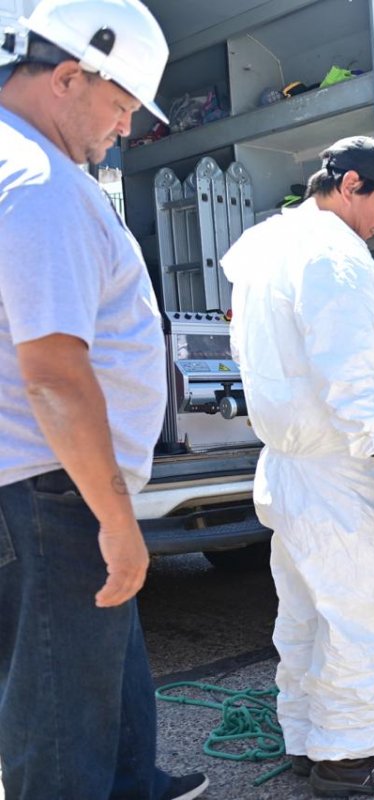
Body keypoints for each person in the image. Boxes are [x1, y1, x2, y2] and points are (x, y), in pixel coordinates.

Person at [0, 1, 208, 798]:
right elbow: (54, 371)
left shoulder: (29, 170)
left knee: (100, 665)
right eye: (121, 106)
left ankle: (133, 785)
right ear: (65, 77)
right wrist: (117, 519)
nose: (124, 129)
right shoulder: (37, 185)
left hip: (53, 483)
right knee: (59, 712)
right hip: (55, 491)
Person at [221, 136, 374, 796]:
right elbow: (351, 372)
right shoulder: (335, 257)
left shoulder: (268, 246)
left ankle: (310, 736)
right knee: (360, 615)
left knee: (307, 614)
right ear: (350, 185)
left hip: (288, 465)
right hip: (341, 471)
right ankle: (351, 759)